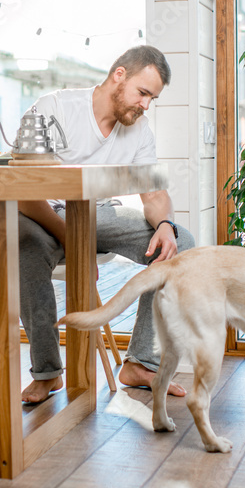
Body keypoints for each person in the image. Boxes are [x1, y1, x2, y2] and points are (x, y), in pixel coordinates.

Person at [18, 45, 196, 403]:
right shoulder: (53, 108)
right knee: (25, 247)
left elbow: (154, 193)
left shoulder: (139, 130)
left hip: (97, 215)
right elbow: (25, 193)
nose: (146, 105)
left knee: (182, 244)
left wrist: (164, 224)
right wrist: (73, 238)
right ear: (119, 75)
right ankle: (48, 371)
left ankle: (141, 362)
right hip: (44, 215)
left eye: (152, 98)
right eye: (142, 93)